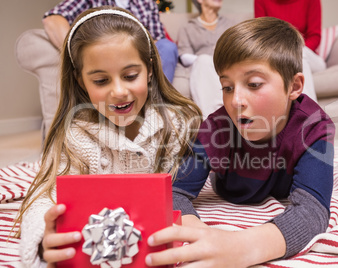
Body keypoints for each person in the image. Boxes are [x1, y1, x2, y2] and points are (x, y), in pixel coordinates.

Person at [15, 6, 202, 267]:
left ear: (149, 70)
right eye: (101, 81)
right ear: (81, 82)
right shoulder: (76, 135)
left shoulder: (178, 124)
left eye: (130, 76)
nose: (119, 91)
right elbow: (44, 197)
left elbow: (197, 179)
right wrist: (42, 239)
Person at [145, 17, 335, 267]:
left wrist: (242, 247)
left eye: (254, 84)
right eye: (226, 87)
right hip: (232, 183)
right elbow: (175, 192)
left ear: (294, 86)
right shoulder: (216, 128)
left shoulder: (315, 127)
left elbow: (312, 212)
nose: (236, 101)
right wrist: (197, 234)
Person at [42, 0, 178, 83]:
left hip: (141, 51)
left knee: (167, 47)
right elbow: (53, 19)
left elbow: (158, 38)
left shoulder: (147, 2)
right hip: (104, 53)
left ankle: (158, 107)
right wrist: (75, 56)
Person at [254, 0, 327, 102]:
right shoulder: (261, 1)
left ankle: (310, 111)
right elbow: (262, 36)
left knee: (300, 52)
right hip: (277, 56)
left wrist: (292, 51)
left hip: (307, 56)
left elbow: (315, 37)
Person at [176, 0, 235, 118]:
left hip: (225, 65)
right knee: (203, 60)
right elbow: (184, 55)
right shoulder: (188, 27)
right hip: (200, 69)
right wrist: (206, 60)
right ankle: (211, 120)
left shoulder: (230, 25)